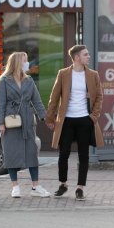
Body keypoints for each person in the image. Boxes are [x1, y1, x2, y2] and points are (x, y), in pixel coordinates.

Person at [45, 45, 104, 201]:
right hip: (67, 120)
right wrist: (50, 118)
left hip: (85, 120)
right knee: (63, 154)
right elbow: (54, 97)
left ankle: (80, 188)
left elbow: (99, 96)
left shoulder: (93, 75)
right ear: (77, 57)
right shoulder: (63, 73)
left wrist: (93, 117)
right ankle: (63, 184)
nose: (88, 57)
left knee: (84, 155)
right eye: (85, 54)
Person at [0, 51, 49, 198]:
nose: (27, 63)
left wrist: (44, 117)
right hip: (11, 121)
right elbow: (0, 104)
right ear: (18, 62)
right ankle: (15, 187)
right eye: (25, 61)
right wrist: (1, 123)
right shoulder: (4, 81)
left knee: (31, 153)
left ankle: (36, 186)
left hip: (27, 120)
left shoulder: (29, 80)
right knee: (11, 153)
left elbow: (36, 100)